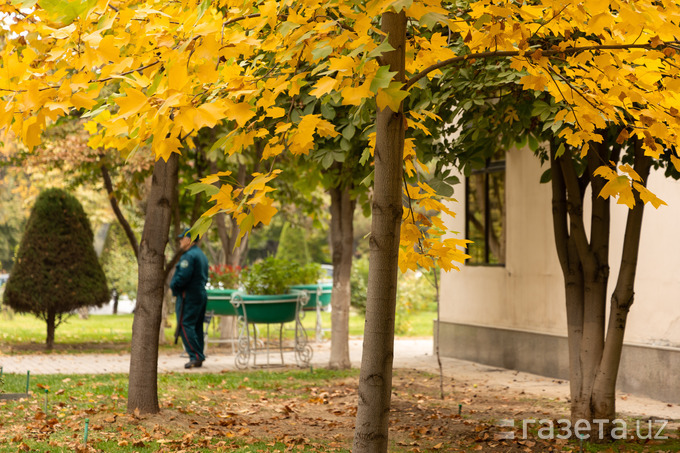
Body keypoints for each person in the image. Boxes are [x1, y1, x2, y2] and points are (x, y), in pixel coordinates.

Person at [170, 228, 209, 369]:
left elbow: (183, 277)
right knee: (197, 326)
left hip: (189, 295)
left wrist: (173, 286)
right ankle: (198, 356)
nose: (180, 241)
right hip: (200, 294)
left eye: (182, 238)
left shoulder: (189, 256)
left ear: (189, 240)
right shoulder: (201, 255)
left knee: (185, 324)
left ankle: (196, 356)